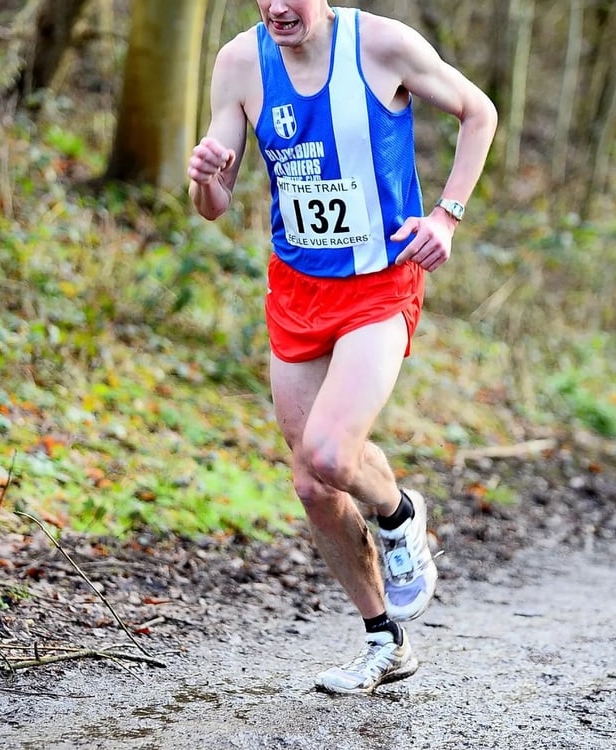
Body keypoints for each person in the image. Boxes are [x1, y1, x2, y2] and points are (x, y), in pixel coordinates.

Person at [188, 0, 497, 695]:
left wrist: (447, 215)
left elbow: (479, 113)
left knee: (329, 454)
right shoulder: (239, 61)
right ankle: (386, 641)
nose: (276, 7)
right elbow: (215, 201)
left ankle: (399, 515)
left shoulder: (383, 46)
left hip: (379, 282)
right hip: (297, 289)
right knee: (312, 482)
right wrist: (207, 176)